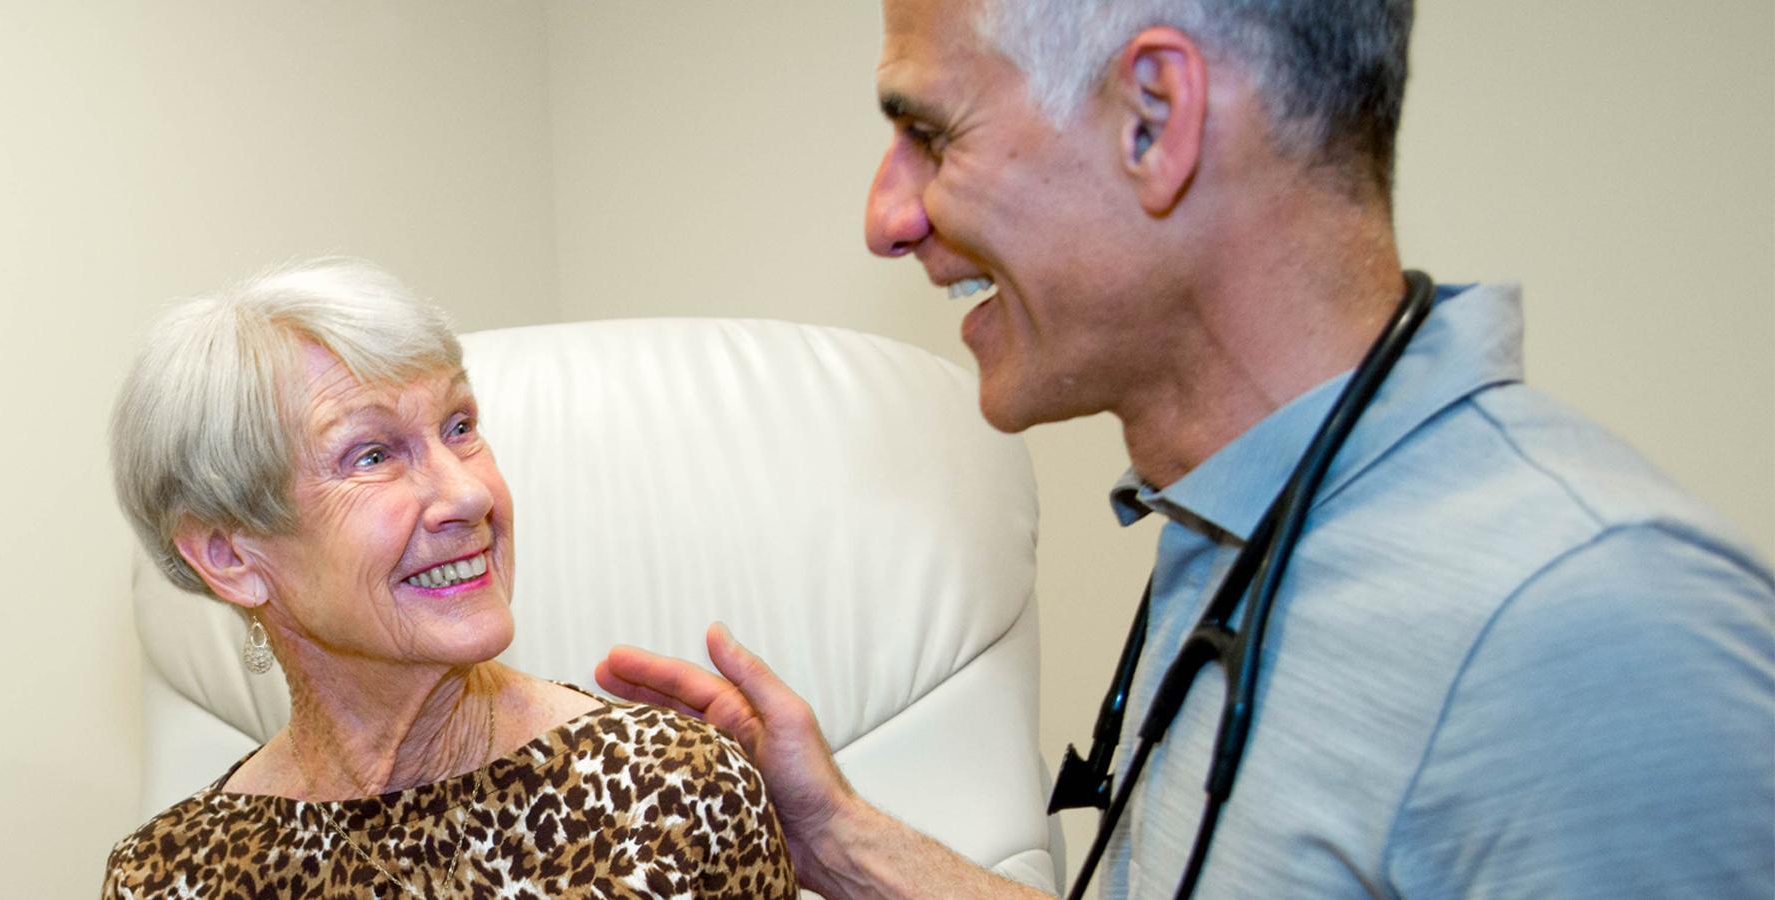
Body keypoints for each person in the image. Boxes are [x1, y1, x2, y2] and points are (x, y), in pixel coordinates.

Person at [596, 0, 1775, 897]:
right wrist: (838, 838)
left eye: (928, 133)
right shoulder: (1245, 531)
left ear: (1154, 119)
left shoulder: (1591, 626)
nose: (886, 217)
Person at [99, 259, 796, 899]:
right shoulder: (164, 878)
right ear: (231, 556)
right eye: (372, 455)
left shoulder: (671, 794)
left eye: (460, 425)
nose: (469, 494)